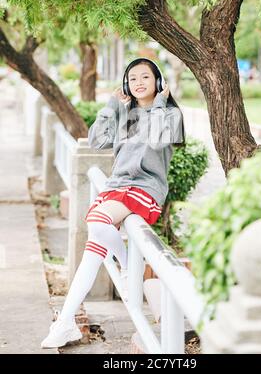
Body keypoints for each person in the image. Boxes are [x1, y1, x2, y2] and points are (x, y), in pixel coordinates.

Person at [41, 57, 185, 348]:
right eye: (132, 79)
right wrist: (111, 107)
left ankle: (131, 266)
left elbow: (157, 141)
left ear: (158, 82)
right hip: (118, 187)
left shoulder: (169, 115)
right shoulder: (125, 113)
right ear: (126, 84)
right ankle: (66, 321)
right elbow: (96, 141)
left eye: (145, 77)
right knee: (94, 247)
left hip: (145, 188)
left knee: (96, 221)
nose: (138, 83)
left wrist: (160, 103)